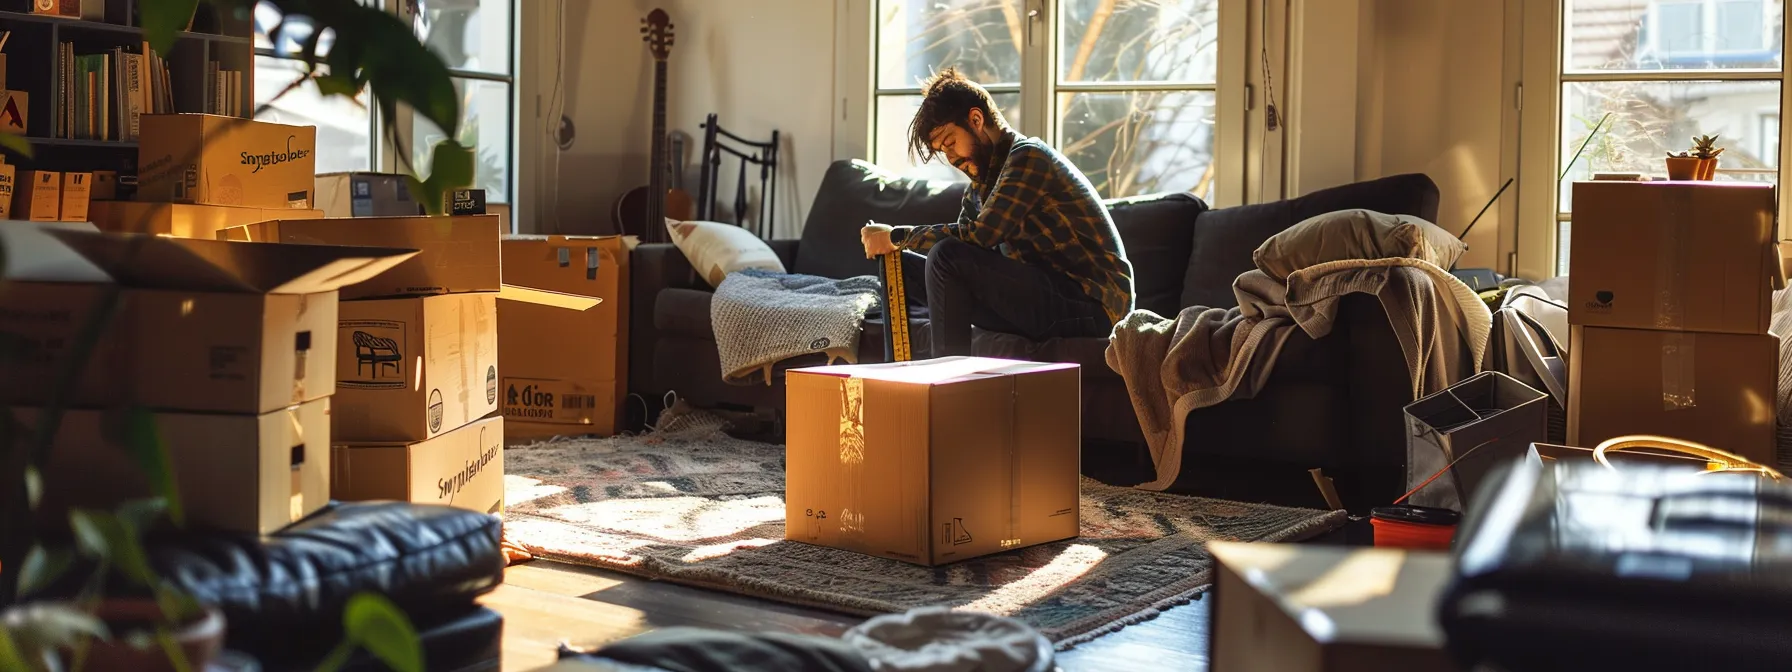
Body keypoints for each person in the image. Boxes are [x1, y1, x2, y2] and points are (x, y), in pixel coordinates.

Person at [861, 67, 1134, 358]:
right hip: (1045, 298)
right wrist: (894, 247)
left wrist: (898, 235)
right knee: (898, 264)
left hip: (1093, 306)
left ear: (976, 120)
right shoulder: (979, 188)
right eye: (943, 151)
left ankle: (944, 384)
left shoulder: (1029, 157)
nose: (951, 158)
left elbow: (980, 236)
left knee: (944, 256)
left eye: (951, 142)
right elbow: (963, 251)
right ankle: (899, 381)